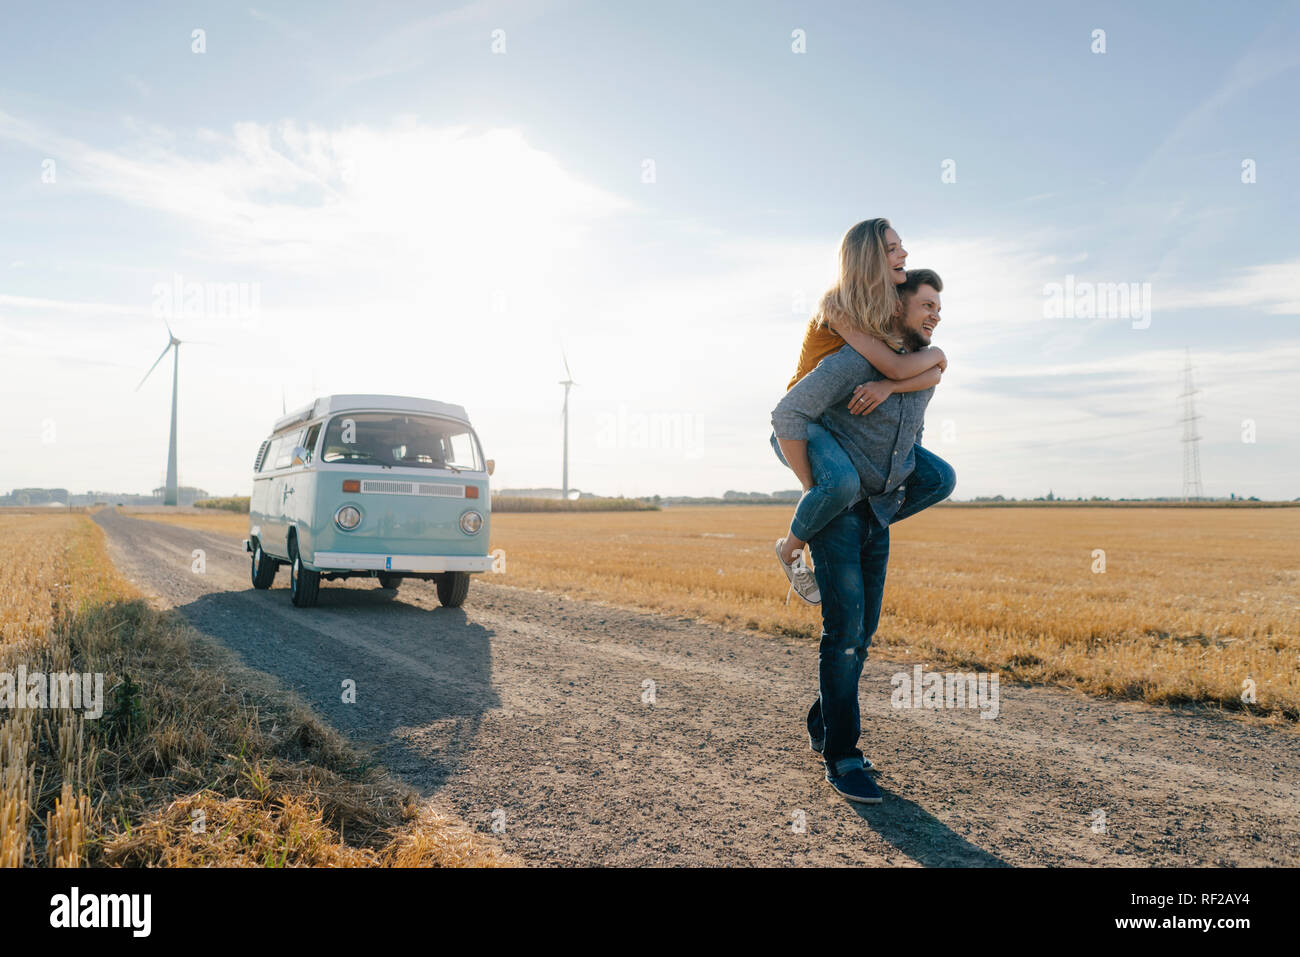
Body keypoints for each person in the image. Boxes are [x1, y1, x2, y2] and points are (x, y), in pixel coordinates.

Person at [770, 267, 949, 804]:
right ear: (897, 309)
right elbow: (787, 413)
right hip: (840, 510)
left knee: (863, 633)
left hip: (877, 510)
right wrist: (817, 491)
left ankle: (825, 720)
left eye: (940, 308)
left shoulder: (922, 364)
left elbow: (935, 370)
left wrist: (892, 382)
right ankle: (844, 756)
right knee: (845, 633)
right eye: (926, 305)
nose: (935, 315)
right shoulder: (848, 360)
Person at [771, 219, 954, 605]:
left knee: (939, 477)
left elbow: (921, 374)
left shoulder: (885, 310)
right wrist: (934, 357)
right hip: (806, 424)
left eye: (901, 246)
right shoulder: (839, 307)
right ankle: (790, 548)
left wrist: (902, 379)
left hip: (844, 427)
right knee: (838, 485)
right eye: (892, 249)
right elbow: (899, 367)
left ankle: (850, 523)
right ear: (867, 258)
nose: (903, 254)